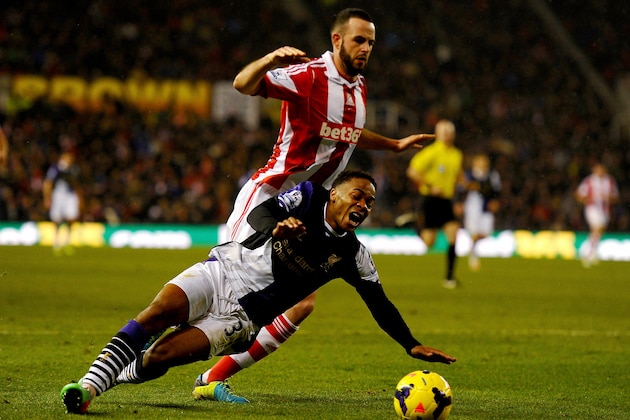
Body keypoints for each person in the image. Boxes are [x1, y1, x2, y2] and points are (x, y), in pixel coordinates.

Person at [59, 170, 457, 414]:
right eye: (358, 195)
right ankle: (90, 386)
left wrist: (411, 344)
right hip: (223, 271)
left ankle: (119, 377)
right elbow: (260, 213)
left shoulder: (353, 255)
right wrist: (277, 226)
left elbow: (379, 303)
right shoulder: (310, 195)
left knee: (160, 355)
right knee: (156, 313)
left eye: (370, 202)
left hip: (241, 318)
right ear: (336, 194)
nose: (364, 205)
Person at [193, 8, 435, 402]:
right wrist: (270, 60)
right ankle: (164, 341)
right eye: (359, 40)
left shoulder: (359, 88)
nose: (366, 48)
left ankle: (211, 377)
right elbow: (242, 84)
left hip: (306, 211)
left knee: (300, 303)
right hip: (269, 198)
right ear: (337, 39)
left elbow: (348, 133)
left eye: (371, 42)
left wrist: (393, 145)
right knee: (231, 287)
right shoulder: (310, 75)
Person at [405, 119, 465, 289]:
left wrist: (466, 187)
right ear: (437, 134)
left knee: (454, 235)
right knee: (429, 242)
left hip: (446, 200)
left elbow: (458, 177)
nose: (446, 134)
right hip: (431, 200)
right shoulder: (431, 152)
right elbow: (412, 171)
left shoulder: (456, 154)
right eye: (443, 131)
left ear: (453, 134)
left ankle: (450, 278)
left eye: (449, 131)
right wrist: (430, 186)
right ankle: (413, 224)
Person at [575, 162, 619, 267]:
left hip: (605, 211)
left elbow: (616, 197)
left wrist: (607, 197)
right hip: (592, 208)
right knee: (598, 228)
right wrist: (588, 199)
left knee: (598, 231)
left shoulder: (610, 181)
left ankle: (591, 251)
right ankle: (588, 253)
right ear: (594, 170)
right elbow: (579, 195)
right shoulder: (589, 181)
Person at [463, 153, 501, 271]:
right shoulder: (469, 175)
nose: (483, 164)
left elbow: (497, 191)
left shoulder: (492, 175)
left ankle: (473, 247)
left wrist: (495, 201)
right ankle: (473, 255)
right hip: (473, 206)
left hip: (486, 207)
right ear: (475, 163)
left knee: (486, 233)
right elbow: (461, 189)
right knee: (474, 232)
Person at [42, 151, 82, 255]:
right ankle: (56, 242)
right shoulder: (55, 169)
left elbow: (77, 184)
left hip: (70, 195)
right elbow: (48, 183)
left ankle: (67, 241)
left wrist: (80, 198)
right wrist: (47, 197)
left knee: (71, 217)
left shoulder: (74, 169)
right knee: (57, 219)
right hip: (58, 195)